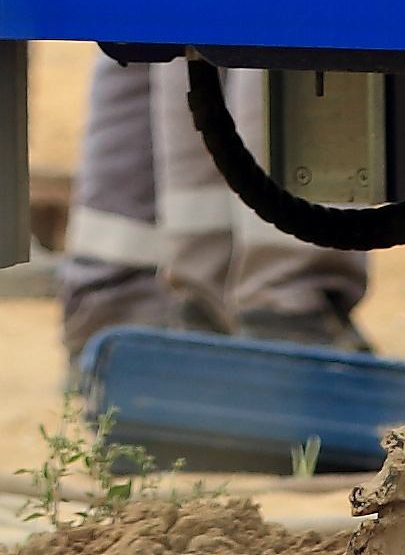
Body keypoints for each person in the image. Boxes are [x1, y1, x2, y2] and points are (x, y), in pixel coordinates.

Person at [58, 53, 376, 355]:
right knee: (299, 4)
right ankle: (291, 305)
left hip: (128, 307)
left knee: (170, 16)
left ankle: (194, 301)